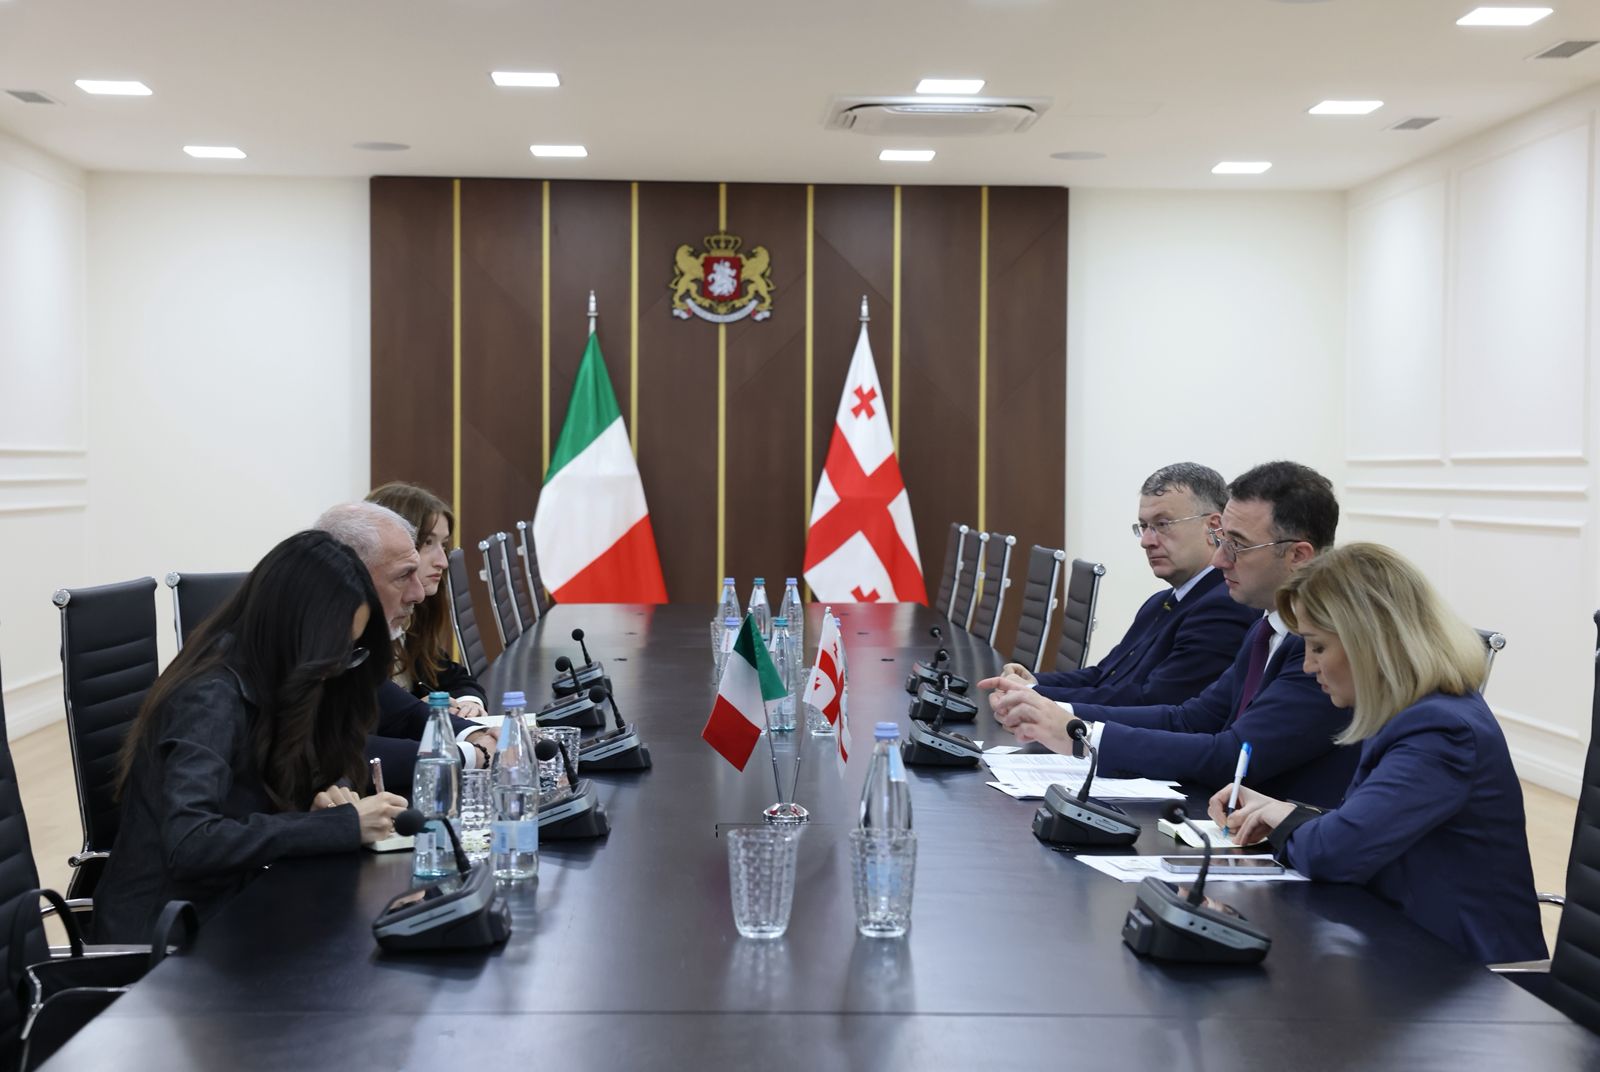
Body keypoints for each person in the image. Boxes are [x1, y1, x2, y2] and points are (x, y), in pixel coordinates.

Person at [1211, 543, 1545, 964]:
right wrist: (1282, 811)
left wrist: (1286, 820)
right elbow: (1367, 826)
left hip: (1464, 974)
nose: (1308, 666)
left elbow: (1335, 852)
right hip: (1410, 949)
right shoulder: (1414, 712)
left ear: (1370, 642)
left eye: (1317, 647)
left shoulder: (1440, 730)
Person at [94, 531, 409, 943]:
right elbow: (190, 843)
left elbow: (312, 764)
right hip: (171, 940)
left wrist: (332, 792)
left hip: (236, 906)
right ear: (293, 633)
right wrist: (337, 826)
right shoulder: (209, 696)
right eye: (333, 653)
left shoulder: (279, 675)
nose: (336, 670)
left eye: (348, 652)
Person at [989, 461, 1357, 807]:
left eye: (1237, 545)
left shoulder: (1325, 647)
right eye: (1221, 540)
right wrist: (1062, 719)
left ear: (1298, 555)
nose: (1220, 559)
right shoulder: (1267, 628)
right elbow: (1189, 719)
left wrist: (1079, 734)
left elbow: (1234, 756)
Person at [983, 463, 1256, 707]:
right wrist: (1032, 682)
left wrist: (1033, 695)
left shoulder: (1222, 606)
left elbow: (1153, 701)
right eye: (1143, 526)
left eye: (1162, 524)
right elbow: (1103, 676)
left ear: (1214, 527)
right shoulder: (1160, 602)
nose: (1146, 541)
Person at [314, 502, 497, 791]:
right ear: (349, 576)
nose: (418, 594)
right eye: (403, 576)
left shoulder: (352, 643)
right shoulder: (302, 647)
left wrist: (478, 734)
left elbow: (405, 714)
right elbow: (333, 752)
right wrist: (471, 754)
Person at [364, 481, 485, 712]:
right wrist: (412, 714)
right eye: (428, 542)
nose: (443, 561)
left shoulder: (412, 616)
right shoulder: (358, 626)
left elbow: (451, 675)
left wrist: (469, 702)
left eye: (444, 544)